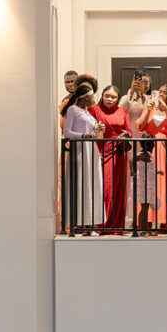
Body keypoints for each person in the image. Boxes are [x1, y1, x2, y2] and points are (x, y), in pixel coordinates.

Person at [61, 82, 106, 233]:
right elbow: (67, 132)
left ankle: (91, 222)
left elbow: (93, 134)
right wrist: (82, 135)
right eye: (92, 96)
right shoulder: (73, 110)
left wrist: (97, 130)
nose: (94, 99)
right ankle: (78, 223)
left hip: (90, 150)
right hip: (79, 150)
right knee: (80, 184)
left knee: (92, 184)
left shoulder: (88, 113)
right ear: (85, 97)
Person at [89, 85, 131, 232]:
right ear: (103, 95)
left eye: (113, 97)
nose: (109, 99)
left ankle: (116, 225)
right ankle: (100, 224)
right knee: (104, 188)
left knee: (117, 188)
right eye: (107, 95)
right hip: (100, 150)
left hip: (119, 153)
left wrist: (125, 135)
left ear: (117, 98)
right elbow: (88, 129)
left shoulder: (122, 111)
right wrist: (96, 130)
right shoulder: (94, 109)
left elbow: (129, 131)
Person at [136, 85, 167, 230]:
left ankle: (165, 222)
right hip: (150, 150)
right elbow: (140, 126)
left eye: (165, 92)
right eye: (159, 92)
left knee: (165, 184)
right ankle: (146, 222)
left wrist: (166, 109)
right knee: (148, 185)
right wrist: (147, 109)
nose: (161, 94)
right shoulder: (150, 108)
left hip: (166, 150)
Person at [131, 139, 163, 233]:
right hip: (143, 184)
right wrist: (132, 170)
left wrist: (157, 171)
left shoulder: (148, 154)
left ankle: (144, 229)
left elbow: (147, 168)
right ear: (151, 144)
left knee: (146, 207)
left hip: (148, 184)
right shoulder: (143, 154)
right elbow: (132, 159)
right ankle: (141, 230)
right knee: (144, 208)